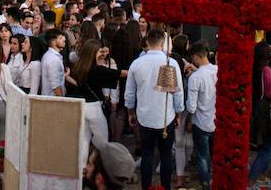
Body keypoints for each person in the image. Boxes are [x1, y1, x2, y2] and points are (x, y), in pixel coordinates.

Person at [124, 28, 184, 190]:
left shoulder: (136, 64)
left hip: (145, 116)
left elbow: (129, 94)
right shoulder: (171, 63)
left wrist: (130, 112)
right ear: (163, 43)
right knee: (165, 155)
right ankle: (165, 187)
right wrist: (179, 114)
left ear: (147, 42)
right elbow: (177, 93)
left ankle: (146, 187)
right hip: (166, 117)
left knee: (147, 155)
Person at [68, 39, 120, 169]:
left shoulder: (79, 67)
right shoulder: (97, 69)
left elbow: (78, 85)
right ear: (94, 52)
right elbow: (120, 74)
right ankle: (96, 166)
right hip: (94, 107)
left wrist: (67, 77)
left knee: (84, 139)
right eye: (99, 51)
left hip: (81, 106)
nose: (101, 53)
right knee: (102, 139)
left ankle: (82, 169)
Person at [186, 41, 217, 189]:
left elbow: (191, 106)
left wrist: (188, 121)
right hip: (217, 120)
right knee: (215, 153)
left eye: (192, 58)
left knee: (202, 156)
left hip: (201, 122)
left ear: (197, 57)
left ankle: (205, 182)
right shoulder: (218, 70)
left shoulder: (195, 77)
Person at [249, 41, 271, 186]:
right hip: (265, 113)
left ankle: (261, 176)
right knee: (269, 147)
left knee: (266, 146)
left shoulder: (253, 68)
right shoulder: (266, 70)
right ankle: (253, 178)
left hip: (255, 110)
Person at [41, 28, 66, 96]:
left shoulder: (50, 56)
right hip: (54, 101)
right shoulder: (53, 59)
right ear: (53, 42)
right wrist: (63, 102)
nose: (64, 39)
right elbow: (56, 86)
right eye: (60, 38)